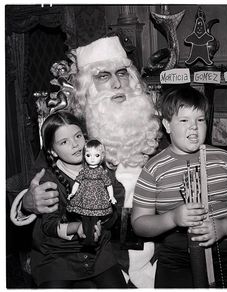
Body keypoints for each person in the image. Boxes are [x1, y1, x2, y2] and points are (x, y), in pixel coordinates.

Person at [10, 36, 162, 287]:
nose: (116, 84)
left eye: (122, 73)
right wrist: (28, 204)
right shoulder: (71, 138)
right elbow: (39, 190)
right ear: (86, 87)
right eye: (103, 76)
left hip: (156, 261)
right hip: (95, 262)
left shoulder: (155, 132)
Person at [131, 85, 227, 288]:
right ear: (167, 125)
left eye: (200, 120)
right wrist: (173, 217)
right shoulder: (153, 169)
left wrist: (224, 227)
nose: (194, 127)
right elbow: (140, 224)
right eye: (184, 120)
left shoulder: (224, 159)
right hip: (176, 253)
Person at [29, 110, 127, 288]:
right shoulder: (48, 181)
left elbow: (115, 213)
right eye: (64, 142)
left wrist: (103, 216)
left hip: (98, 255)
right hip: (57, 259)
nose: (75, 145)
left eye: (78, 136)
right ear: (53, 151)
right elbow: (49, 225)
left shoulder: (102, 171)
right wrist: (78, 227)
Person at [67, 139, 117, 246]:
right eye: (88, 155)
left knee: (95, 222)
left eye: (97, 155)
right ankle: (86, 239)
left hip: (98, 199)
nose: (92, 159)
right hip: (84, 198)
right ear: (84, 156)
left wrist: (112, 196)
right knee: (84, 219)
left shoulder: (101, 172)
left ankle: (92, 239)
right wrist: (72, 193)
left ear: (102, 156)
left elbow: (108, 184)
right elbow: (77, 182)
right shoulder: (84, 171)